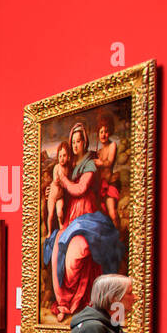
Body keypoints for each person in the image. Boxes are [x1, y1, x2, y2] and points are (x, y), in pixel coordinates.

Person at [45, 121, 124, 321]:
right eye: (73, 142)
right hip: (71, 216)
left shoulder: (90, 163)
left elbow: (79, 189)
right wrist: (53, 190)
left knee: (75, 254)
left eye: (79, 141)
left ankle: (78, 299)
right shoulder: (70, 165)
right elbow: (63, 190)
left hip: (87, 215)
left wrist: (62, 181)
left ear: (85, 142)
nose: (75, 145)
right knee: (56, 249)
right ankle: (63, 303)